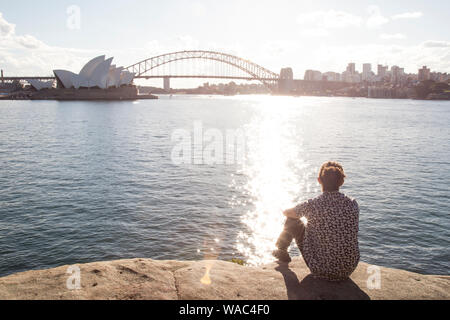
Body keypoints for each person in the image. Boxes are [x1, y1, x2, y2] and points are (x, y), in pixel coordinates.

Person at [272, 161, 360, 281]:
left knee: (292, 221)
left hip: (321, 268)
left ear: (319, 180)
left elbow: (288, 213)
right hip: (348, 268)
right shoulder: (352, 204)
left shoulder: (313, 204)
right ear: (342, 182)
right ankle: (282, 250)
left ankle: (282, 251)